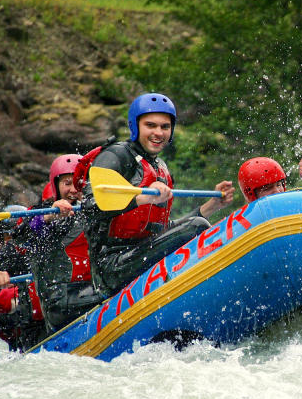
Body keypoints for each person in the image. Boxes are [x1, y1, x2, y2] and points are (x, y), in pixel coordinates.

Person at [80, 92, 235, 296]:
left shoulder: (160, 167)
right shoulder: (114, 156)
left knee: (205, 226)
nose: (158, 133)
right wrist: (142, 198)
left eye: (165, 127)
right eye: (150, 125)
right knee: (197, 227)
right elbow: (88, 209)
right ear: (135, 126)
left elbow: (164, 230)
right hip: (111, 265)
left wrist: (212, 206)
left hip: (143, 251)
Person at [25, 154, 103, 333]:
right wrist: (49, 216)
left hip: (89, 290)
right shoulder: (43, 214)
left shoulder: (92, 212)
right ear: (56, 186)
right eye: (67, 183)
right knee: (112, 289)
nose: (73, 190)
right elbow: (25, 235)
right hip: (60, 301)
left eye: (78, 183)